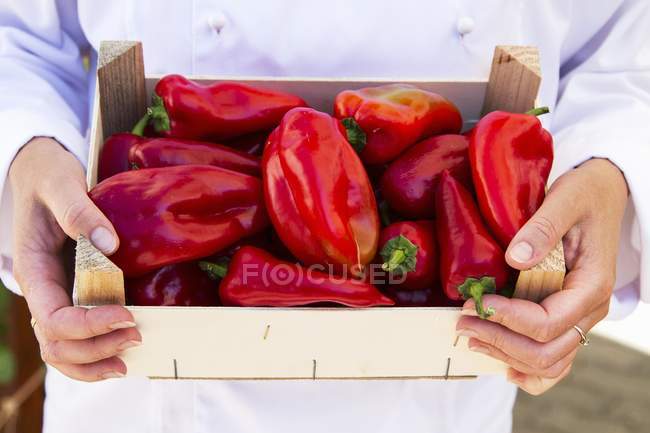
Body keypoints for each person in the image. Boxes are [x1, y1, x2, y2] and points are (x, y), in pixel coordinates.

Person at [1, 1, 648, 432]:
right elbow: (17, 37)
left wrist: (611, 167)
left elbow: (629, 61)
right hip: (147, 385)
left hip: (443, 386)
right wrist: (24, 150)